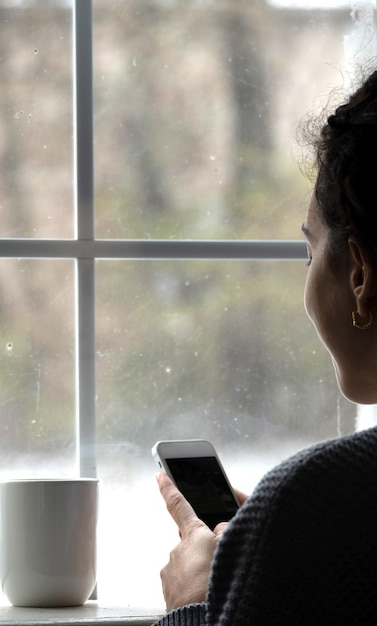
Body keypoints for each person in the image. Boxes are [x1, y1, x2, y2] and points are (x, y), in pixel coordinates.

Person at [153, 67, 377, 624]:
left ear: (360, 277)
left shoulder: (316, 503)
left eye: (310, 253)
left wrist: (196, 604)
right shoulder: (310, 509)